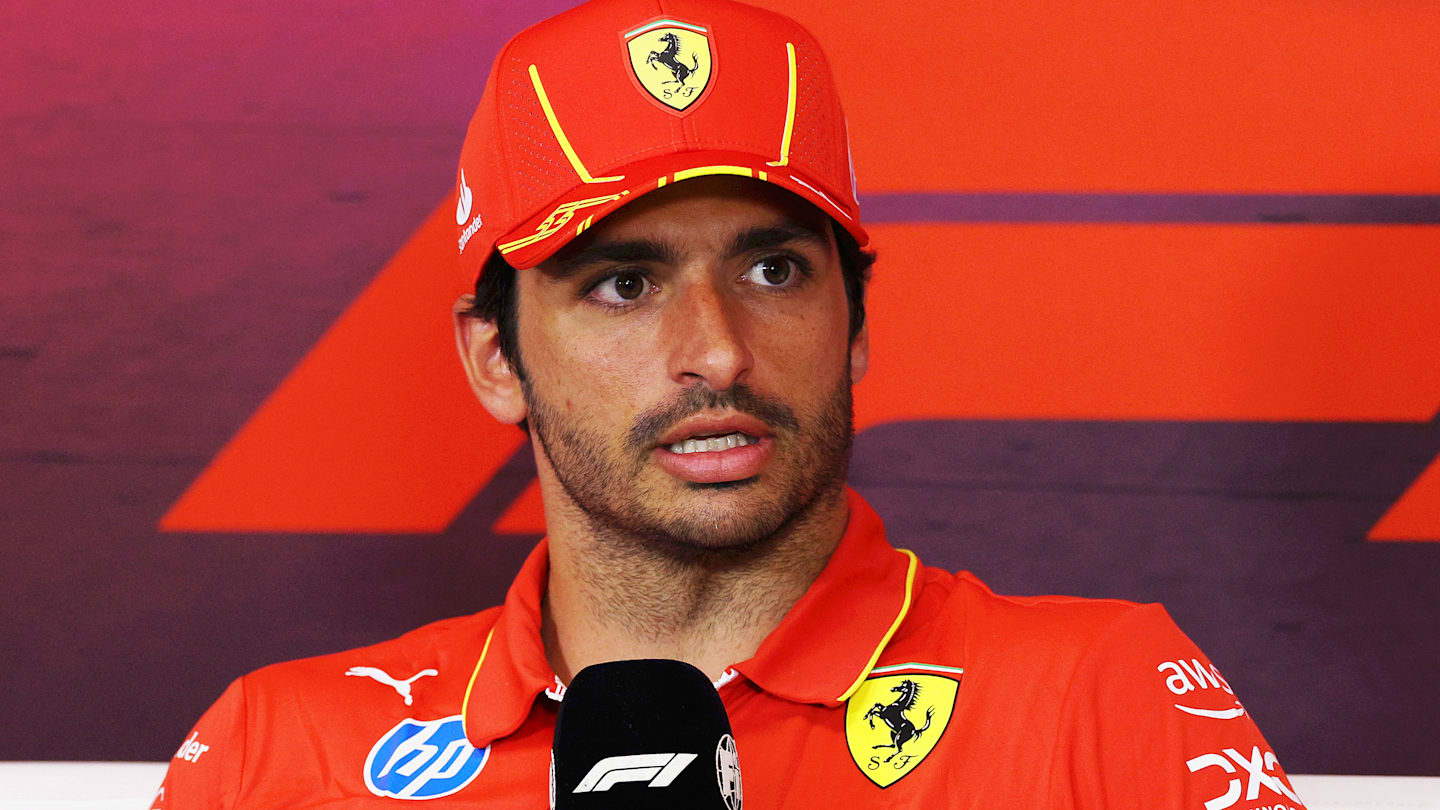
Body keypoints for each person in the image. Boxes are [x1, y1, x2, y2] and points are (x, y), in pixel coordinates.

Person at [156, 0, 1308, 807]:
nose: (715, 352)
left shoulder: (1099, 696)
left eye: (773, 271)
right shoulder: (279, 753)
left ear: (853, 325)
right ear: (495, 359)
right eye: (622, 283)